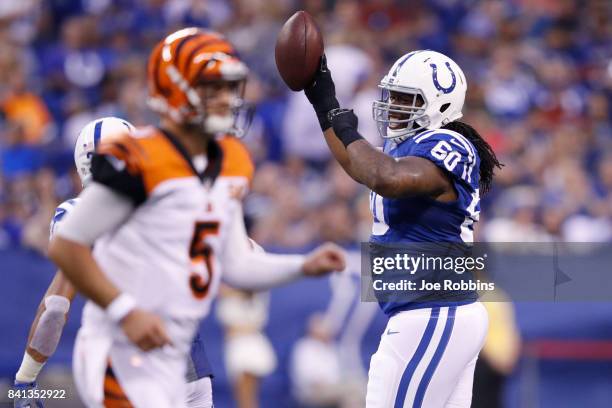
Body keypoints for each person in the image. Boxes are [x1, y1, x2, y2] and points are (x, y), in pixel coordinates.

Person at [48, 28, 345, 408]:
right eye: (212, 89)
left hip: (178, 356)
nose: (226, 99)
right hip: (119, 350)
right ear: (175, 90)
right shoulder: (139, 157)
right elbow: (68, 244)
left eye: (229, 88)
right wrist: (127, 310)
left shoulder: (232, 161)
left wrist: (302, 265)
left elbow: (238, 264)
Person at [302, 50, 503, 407]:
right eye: (392, 96)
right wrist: (323, 99)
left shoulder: (449, 143)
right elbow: (357, 163)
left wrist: (345, 125)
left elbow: (387, 177)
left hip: (433, 312)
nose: (394, 106)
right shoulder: (405, 146)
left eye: (406, 99)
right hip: (431, 314)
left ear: (440, 104)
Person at [13, 116, 135, 408]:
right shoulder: (165, 205)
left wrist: (25, 380)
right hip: (177, 351)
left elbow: (56, 307)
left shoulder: (78, 215)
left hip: (117, 351)